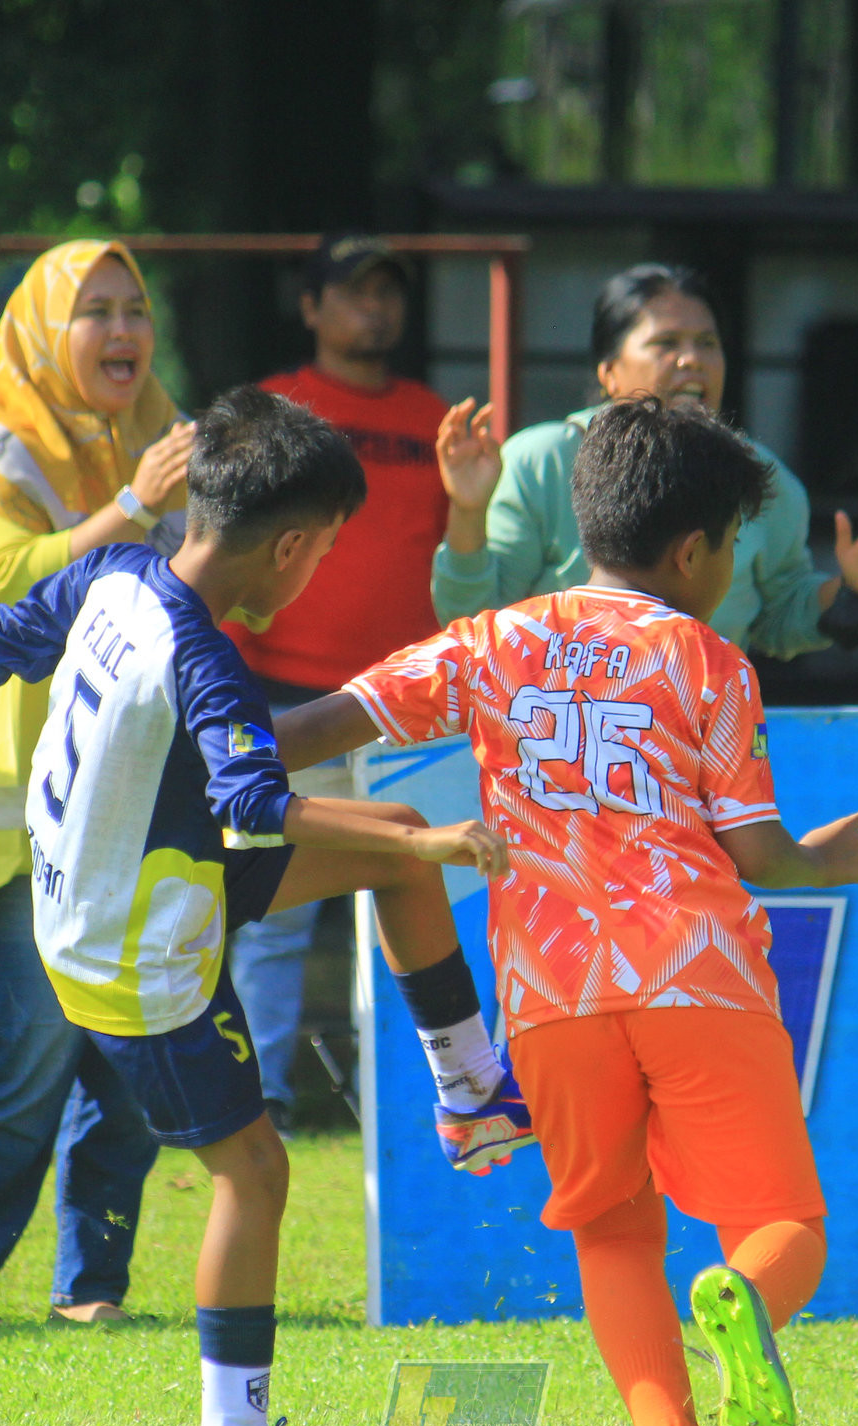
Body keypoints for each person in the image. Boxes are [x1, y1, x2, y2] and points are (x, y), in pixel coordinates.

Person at [0, 386, 531, 1426]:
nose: (319, 571)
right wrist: (444, 841)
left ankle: (472, 1091)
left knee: (384, 838)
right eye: (326, 551)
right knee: (253, 1170)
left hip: (132, 887)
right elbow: (252, 799)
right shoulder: (203, 657)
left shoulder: (119, 574)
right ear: (289, 548)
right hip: (136, 949)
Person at [278, 397, 858, 1426]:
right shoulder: (710, 659)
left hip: (550, 996)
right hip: (697, 975)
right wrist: (822, 862)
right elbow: (755, 854)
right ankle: (740, 1298)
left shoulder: (494, 638)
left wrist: (203, 746)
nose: (731, 565)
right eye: (734, 546)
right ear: (692, 551)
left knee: (609, 1229)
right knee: (783, 1225)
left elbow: (320, 725)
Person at [0, 240, 194, 1327]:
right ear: (39, 330)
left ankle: (91, 1289)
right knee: (24, 1044)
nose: (122, 332)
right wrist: (126, 509)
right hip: (8, 795)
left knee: (128, 1052)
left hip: (140, 790)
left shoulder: (169, 442)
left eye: (136, 309)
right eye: (94, 311)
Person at [223, 232, 491, 1132]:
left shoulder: (437, 418)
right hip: (281, 699)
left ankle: (412, 1099)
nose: (374, 307)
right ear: (309, 308)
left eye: (388, 292)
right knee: (272, 913)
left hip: (404, 708)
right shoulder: (277, 410)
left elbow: (463, 560)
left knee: (417, 884)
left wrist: (468, 497)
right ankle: (261, 1095)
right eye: (352, 291)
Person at [431, 262, 858, 665]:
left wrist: (852, 588)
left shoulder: (763, 479)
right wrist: (467, 512)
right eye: (667, 343)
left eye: (707, 343)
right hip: (554, 739)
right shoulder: (541, 462)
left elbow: (780, 621)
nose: (692, 359)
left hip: (702, 741)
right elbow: (474, 621)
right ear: (608, 372)